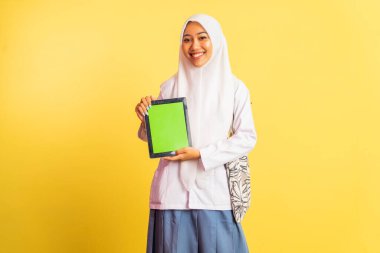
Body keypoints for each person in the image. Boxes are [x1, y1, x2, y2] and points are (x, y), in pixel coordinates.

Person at [135, 14, 257, 253]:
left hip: (215, 195)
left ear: (217, 41)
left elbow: (247, 137)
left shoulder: (234, 89)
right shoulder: (169, 87)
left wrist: (201, 154)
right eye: (187, 39)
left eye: (203, 38)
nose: (195, 46)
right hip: (172, 196)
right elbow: (158, 139)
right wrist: (145, 117)